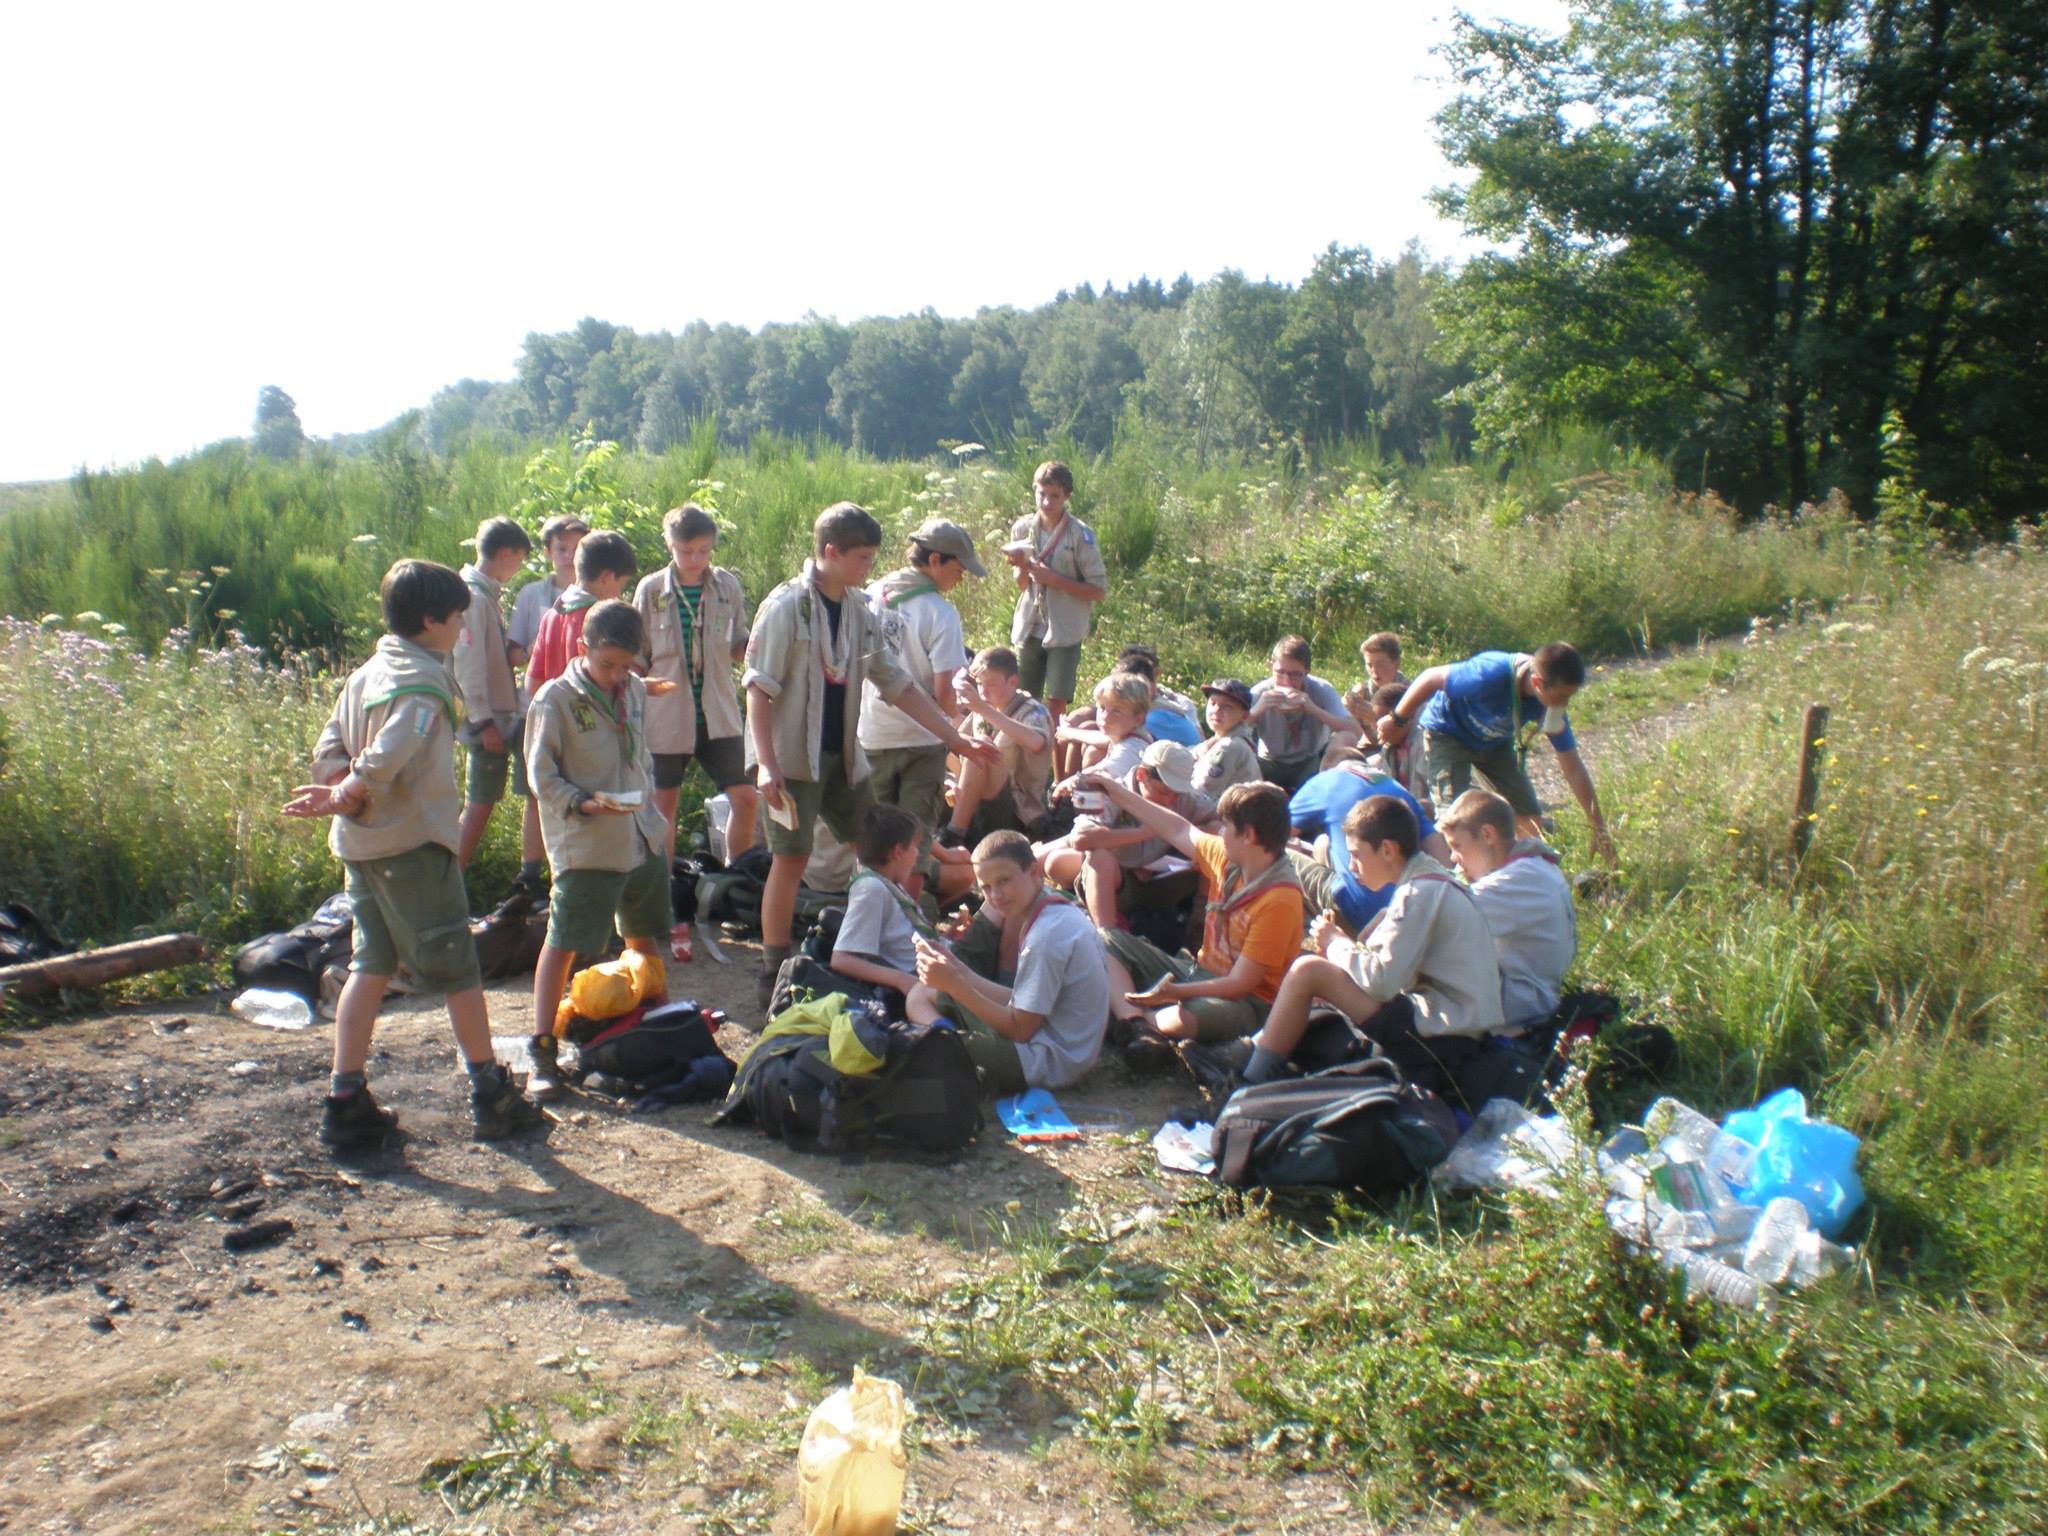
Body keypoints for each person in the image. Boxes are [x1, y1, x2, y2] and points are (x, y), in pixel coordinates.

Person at [284, 559, 543, 1151]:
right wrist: (353, 788)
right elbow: (399, 741)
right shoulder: (424, 681)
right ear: (431, 621)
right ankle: (489, 1093)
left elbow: (328, 745)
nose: (460, 629)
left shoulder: (367, 673)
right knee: (459, 970)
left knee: (370, 965)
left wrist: (339, 787)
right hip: (411, 846)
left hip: (362, 848)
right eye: (456, 619)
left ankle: (344, 1099)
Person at [744, 502, 1000, 1010]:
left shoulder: (861, 608)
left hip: (844, 755)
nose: (869, 567)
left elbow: (896, 683)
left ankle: (891, 949)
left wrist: (955, 738)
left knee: (879, 848)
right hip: (794, 761)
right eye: (862, 558)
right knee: (791, 860)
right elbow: (758, 689)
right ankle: (773, 970)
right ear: (831, 552)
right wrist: (767, 764)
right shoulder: (785, 606)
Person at [1245, 796, 1502, 1090]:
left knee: (1309, 970)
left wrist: (1335, 943)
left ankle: (1248, 1079)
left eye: (1356, 855)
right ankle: (1257, 1056)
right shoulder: (1429, 882)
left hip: (1445, 1034)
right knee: (1328, 977)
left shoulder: (1417, 893)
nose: (1352, 867)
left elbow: (1381, 982)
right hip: (1458, 1025)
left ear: (1388, 850)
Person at [523, 599, 673, 1100]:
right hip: (588, 843)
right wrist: (580, 804)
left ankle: (655, 1022)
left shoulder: (632, 688)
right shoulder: (555, 700)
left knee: (644, 933)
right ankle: (541, 1052)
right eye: (607, 664)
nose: (616, 675)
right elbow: (540, 776)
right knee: (564, 942)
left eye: (626, 666)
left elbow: (638, 755)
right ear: (582, 648)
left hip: (640, 833)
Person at [1084, 778, 1304, 1044]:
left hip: (1247, 1002)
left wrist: (1177, 992)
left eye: (1226, 827)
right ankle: (1136, 1024)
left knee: (1185, 1019)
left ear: (1249, 836)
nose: (1220, 833)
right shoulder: (1229, 857)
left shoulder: (1280, 898)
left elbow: (1240, 985)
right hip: (1198, 973)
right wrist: (1114, 791)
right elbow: (1177, 828)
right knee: (1105, 939)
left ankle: (1132, 1018)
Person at [633, 504, 755, 958]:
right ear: (670, 545)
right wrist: (637, 686)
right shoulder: (650, 591)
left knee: (745, 797)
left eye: (704, 550)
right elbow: (638, 654)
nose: (695, 559)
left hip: (718, 711)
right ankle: (662, 896)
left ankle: (733, 882)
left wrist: (756, 646)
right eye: (687, 551)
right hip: (667, 712)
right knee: (663, 803)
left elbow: (739, 642)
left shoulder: (727, 587)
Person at [1376, 642, 1617, 864]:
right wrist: (1397, 718)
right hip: (1448, 733)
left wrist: (1598, 827)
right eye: (1562, 697)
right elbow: (1430, 678)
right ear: (1537, 684)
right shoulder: (1488, 674)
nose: (1564, 704)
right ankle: (1455, 882)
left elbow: (1572, 766)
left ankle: (1518, 872)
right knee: (1454, 818)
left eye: (1569, 697)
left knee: (1529, 816)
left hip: (1493, 743)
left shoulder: (1549, 706)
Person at [909, 831, 1111, 1093]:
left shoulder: (1047, 935)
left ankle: (947, 1041)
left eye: (1004, 881)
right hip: (1060, 1047)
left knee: (920, 1042)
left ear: (1034, 871)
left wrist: (955, 984)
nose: (995, 896)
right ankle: (948, 1038)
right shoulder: (1052, 909)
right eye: (986, 887)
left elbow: (1019, 1030)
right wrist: (955, 968)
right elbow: (1022, 1001)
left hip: (1046, 1063)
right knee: (921, 994)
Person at [861, 518, 984, 890]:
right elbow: (945, 691)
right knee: (915, 842)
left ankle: (870, 921)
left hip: (872, 735)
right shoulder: (940, 612)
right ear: (935, 560)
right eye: (958, 570)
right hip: (922, 738)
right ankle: (909, 930)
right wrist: (961, 726)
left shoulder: (870, 593)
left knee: (875, 842)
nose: (960, 579)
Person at [501, 515, 589, 911]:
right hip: (538, 709)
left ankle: (569, 877)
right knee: (537, 796)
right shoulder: (532, 596)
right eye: (561, 548)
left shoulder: (598, 597)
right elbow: (514, 652)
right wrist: (546, 641)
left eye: (576, 548)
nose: (569, 556)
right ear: (548, 552)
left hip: (583, 716)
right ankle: (530, 876)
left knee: (580, 795)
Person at [1438, 788, 1577, 1032]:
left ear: (1487, 834)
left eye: (1457, 846)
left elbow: (1437, 917)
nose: (1453, 858)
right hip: (1533, 992)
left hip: (1525, 1003)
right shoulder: (1535, 866)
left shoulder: (1515, 881)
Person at [1046, 740, 1214, 929]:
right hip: (1120, 883)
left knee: (1215, 834)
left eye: (1177, 794)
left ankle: (1201, 920)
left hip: (1164, 879)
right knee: (1097, 858)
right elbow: (1080, 839)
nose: (1171, 800)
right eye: (1164, 792)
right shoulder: (1111, 792)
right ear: (1142, 775)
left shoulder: (1186, 798)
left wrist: (1192, 851)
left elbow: (1219, 821)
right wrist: (1144, 832)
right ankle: (1109, 938)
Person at [1287, 754, 1450, 934]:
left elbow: (1275, 832)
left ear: (1330, 768)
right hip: (1415, 910)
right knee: (1323, 843)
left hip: (1357, 912)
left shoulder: (1327, 780)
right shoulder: (1397, 788)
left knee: (1279, 850)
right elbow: (1437, 847)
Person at [452, 517, 533, 868]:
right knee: (479, 805)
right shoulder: (471, 598)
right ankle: (445, 887)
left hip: (498, 716)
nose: (517, 568)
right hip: (486, 722)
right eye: (519, 559)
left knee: (491, 803)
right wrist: (483, 721)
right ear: (506, 553)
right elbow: (468, 666)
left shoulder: (484, 594)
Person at [1005, 460, 1107, 732]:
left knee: (1056, 701)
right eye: (1041, 494)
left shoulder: (1080, 535)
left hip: (1064, 627)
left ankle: (1053, 759)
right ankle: (1026, 760)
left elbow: (1098, 591)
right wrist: (1021, 567)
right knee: (1024, 698)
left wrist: (1055, 580)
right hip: (1030, 624)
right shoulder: (1023, 529)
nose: (1047, 502)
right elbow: (1020, 584)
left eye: (1055, 496)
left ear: (1067, 497)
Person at [944, 646, 1054, 845]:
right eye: (979, 684)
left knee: (982, 746)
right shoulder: (985, 708)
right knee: (945, 740)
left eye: (991, 684)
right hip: (980, 798)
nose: (983, 691)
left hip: (1019, 810)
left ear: (1012, 681)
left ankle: (954, 834)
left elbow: (1037, 742)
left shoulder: (1032, 710)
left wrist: (983, 709)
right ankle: (956, 827)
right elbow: (957, 742)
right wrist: (952, 780)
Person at [828, 803, 929, 1015]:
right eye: (914, 846)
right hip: (920, 980)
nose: (917, 854)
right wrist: (901, 980)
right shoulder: (871, 888)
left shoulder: (888, 883)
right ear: (898, 851)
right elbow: (841, 959)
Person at [527, 529, 639, 695]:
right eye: (621, 585)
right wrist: (642, 688)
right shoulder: (601, 620)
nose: (619, 594)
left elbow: (533, 683)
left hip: (559, 714)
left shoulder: (553, 615)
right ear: (606, 577)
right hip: (590, 716)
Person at [1248, 635, 1360, 794]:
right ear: (1271, 666)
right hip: (1269, 762)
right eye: (1280, 672)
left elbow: (1354, 730)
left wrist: (1313, 708)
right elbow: (1231, 729)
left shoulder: (1320, 689)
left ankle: (1327, 796)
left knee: (1345, 738)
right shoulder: (1260, 692)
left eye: (1294, 675)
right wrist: (1257, 710)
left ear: (1307, 671)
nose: (1286, 681)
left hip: (1309, 762)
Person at [1191, 678, 1262, 801]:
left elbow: (1201, 794)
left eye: (1227, 707)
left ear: (1244, 716)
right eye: (1212, 703)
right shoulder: (1220, 739)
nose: (1216, 711)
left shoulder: (1229, 747)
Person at [1364, 682, 1430, 804]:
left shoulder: (1424, 744)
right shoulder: (1390, 746)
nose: (1376, 727)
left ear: (1406, 716)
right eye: (1374, 721)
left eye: (1381, 720)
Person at [1342, 631, 1409, 747]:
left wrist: (1376, 719)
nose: (1374, 671)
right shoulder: (1361, 692)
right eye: (1369, 665)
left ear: (1396, 664)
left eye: (1380, 665)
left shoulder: (1409, 693)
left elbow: (1408, 736)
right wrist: (1347, 713)